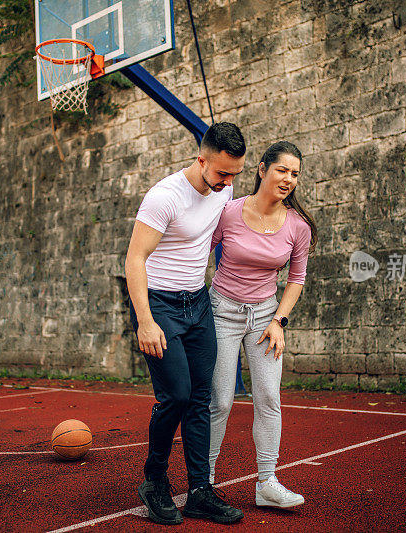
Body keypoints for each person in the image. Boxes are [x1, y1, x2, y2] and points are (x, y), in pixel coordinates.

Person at [125, 123, 247, 525]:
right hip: (159, 305)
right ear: (201, 161)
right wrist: (145, 320)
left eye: (234, 174)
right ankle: (154, 480)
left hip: (198, 304)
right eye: (221, 173)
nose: (228, 182)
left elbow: (210, 238)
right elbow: (134, 261)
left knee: (200, 398)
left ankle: (199, 491)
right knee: (176, 395)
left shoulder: (223, 188)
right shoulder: (164, 197)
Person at [208, 140, 318, 508]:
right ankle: (203, 482)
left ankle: (266, 484)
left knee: (269, 398)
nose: (288, 179)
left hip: (265, 316)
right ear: (262, 169)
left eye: (295, 174)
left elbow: (297, 279)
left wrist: (278, 321)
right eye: (282, 170)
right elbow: (200, 252)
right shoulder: (228, 212)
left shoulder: (298, 226)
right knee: (220, 401)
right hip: (221, 310)